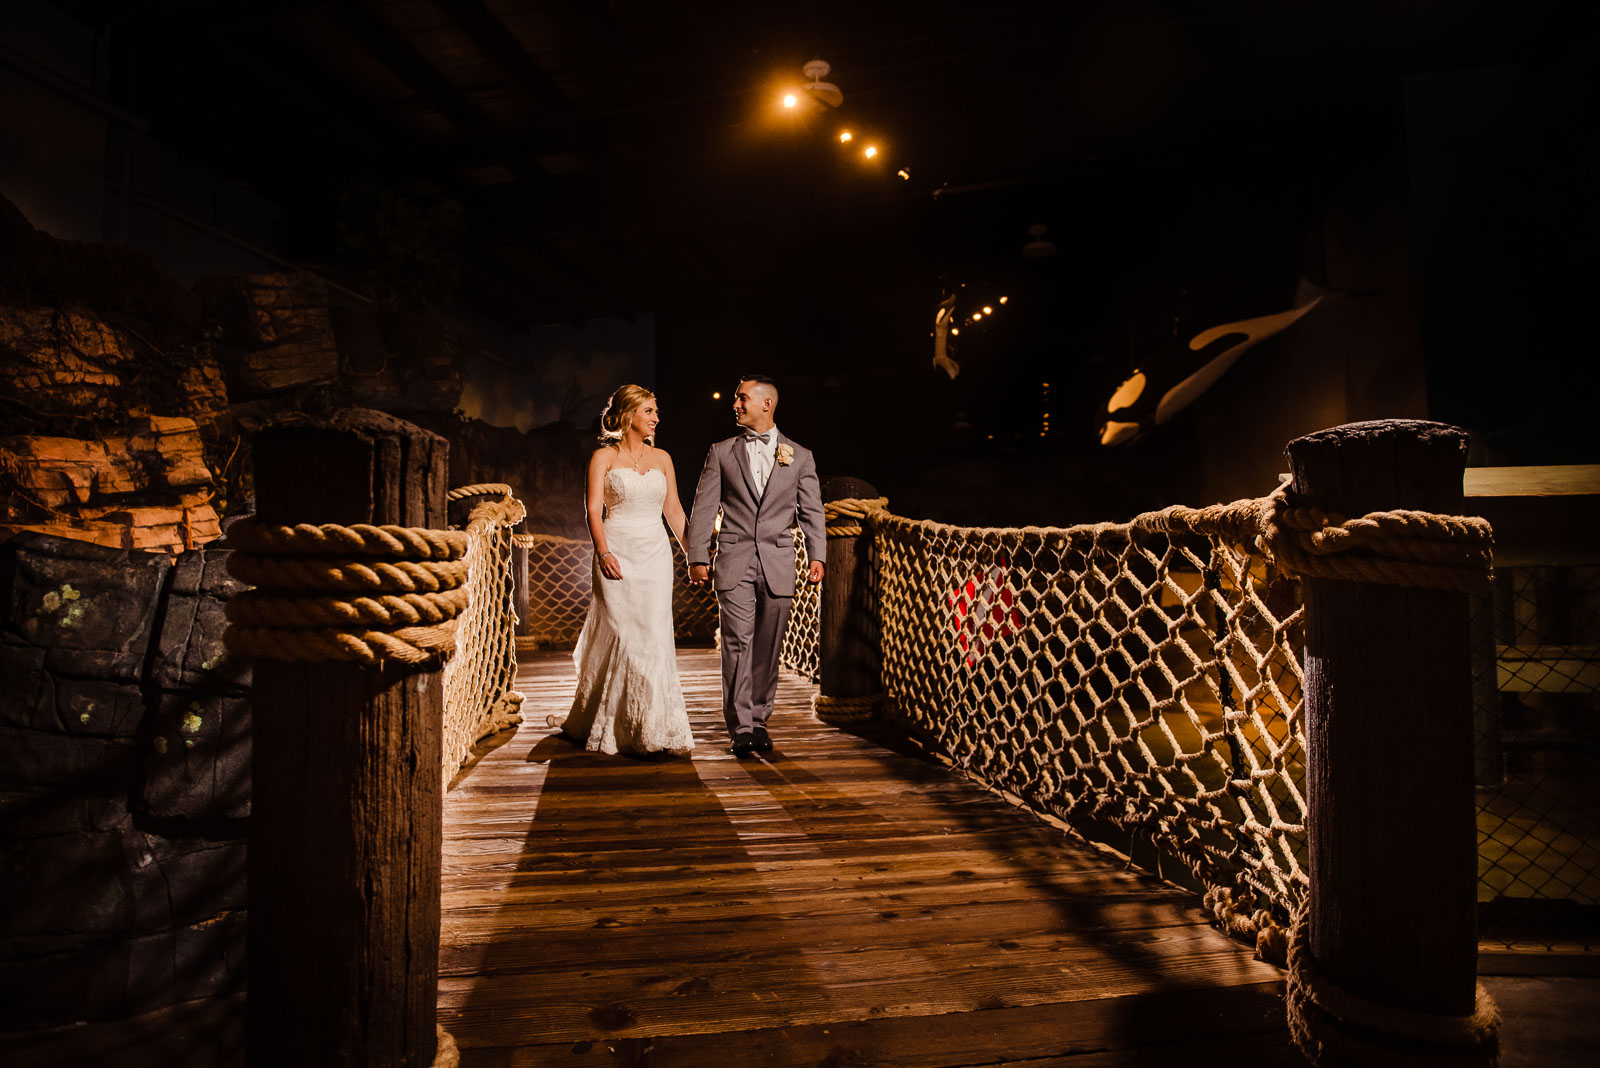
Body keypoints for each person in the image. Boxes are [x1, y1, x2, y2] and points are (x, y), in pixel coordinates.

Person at [686, 375, 825, 757]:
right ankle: (742, 726)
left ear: (766, 404)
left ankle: (761, 718)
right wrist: (697, 555)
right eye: (735, 399)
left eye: (742, 398)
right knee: (736, 641)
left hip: (779, 561)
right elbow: (704, 507)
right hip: (733, 559)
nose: (735, 405)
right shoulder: (721, 452)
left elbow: (812, 511)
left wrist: (817, 555)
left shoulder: (800, 456)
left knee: (768, 643)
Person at [564, 384, 695, 757]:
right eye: (650, 411)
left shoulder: (663, 458)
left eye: (656, 411)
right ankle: (614, 724)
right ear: (628, 415)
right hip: (617, 549)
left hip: (654, 553)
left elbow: (674, 511)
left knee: (653, 635)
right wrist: (603, 552)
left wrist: (694, 557)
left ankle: (651, 725)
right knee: (620, 631)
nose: (656, 418)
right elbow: (593, 510)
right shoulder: (603, 457)